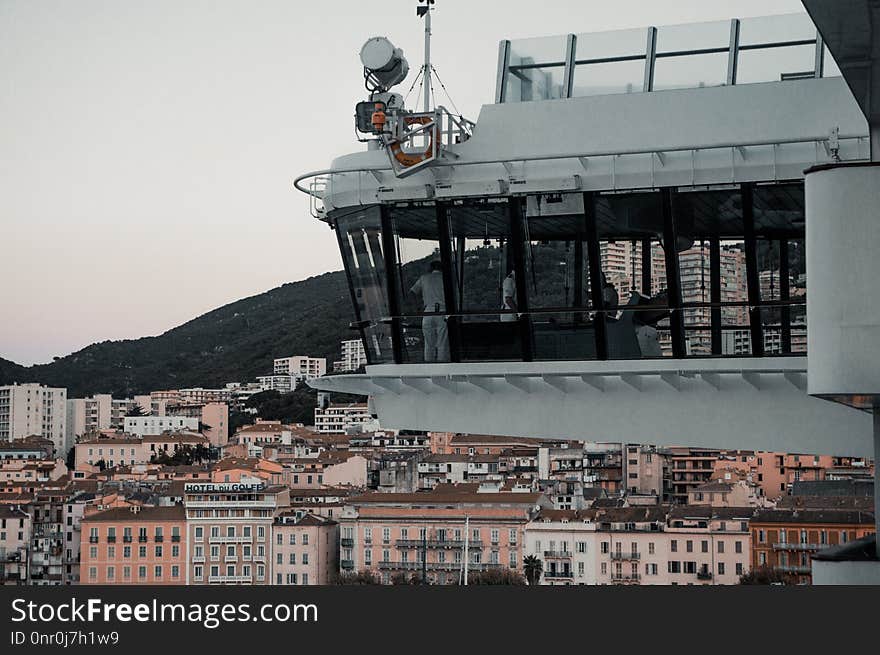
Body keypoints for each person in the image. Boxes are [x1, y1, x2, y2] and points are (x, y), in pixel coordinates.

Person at [410, 260, 449, 362]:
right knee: (442, 342)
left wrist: (417, 307)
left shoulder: (424, 278)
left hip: (428, 312)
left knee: (428, 343)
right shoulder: (446, 278)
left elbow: (412, 292)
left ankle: (429, 364)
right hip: (442, 312)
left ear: (431, 268)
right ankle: (442, 365)